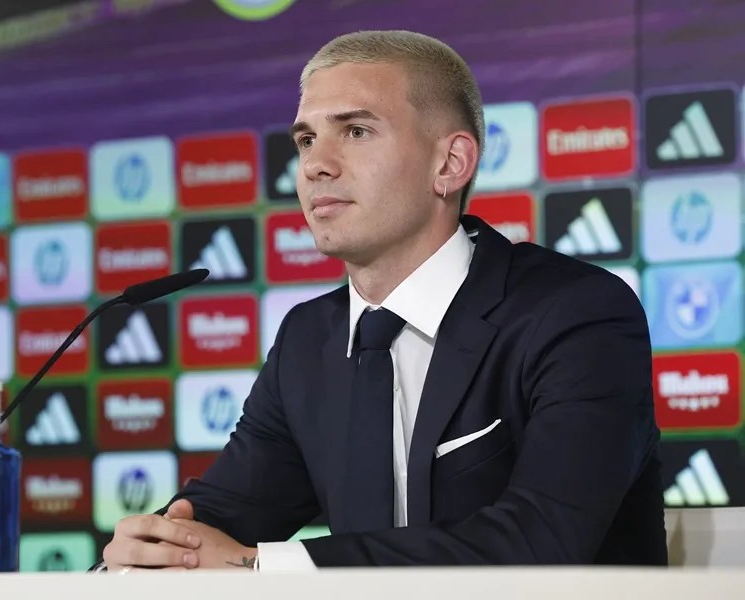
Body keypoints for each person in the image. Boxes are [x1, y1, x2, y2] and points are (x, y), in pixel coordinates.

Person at [101, 29, 667, 572]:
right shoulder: (309, 337)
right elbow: (223, 511)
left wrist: (257, 567)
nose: (314, 164)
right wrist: (150, 552)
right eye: (305, 139)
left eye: (355, 131)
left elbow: (542, 538)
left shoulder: (574, 311)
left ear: (449, 164)